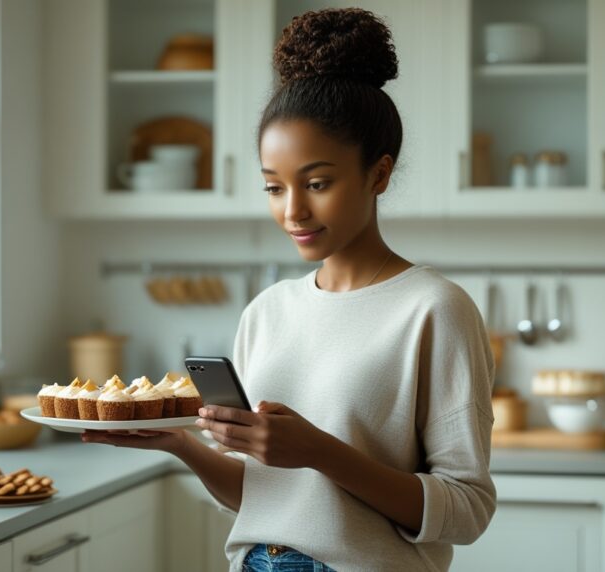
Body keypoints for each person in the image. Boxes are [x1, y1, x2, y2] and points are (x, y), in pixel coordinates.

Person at [83, 7, 496, 571]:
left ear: (378, 174)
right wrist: (178, 445)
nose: (293, 210)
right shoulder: (267, 312)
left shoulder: (434, 309)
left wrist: (320, 453)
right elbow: (261, 498)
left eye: (317, 183)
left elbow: (468, 510)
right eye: (274, 188)